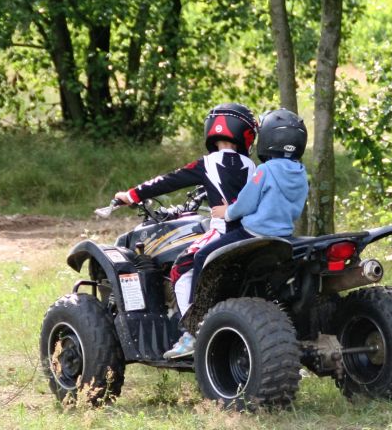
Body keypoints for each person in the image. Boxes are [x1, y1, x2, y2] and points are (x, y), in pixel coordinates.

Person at [113, 103, 257, 359]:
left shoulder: (208, 163)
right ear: (246, 134)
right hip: (252, 233)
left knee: (181, 269)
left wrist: (131, 194)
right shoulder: (253, 167)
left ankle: (192, 332)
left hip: (223, 231)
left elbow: (169, 181)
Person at [194, 107, 309, 319]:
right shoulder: (302, 174)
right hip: (282, 235)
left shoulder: (265, 170)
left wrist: (227, 212)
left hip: (253, 232)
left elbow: (246, 202)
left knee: (202, 255)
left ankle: (195, 319)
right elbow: (297, 207)